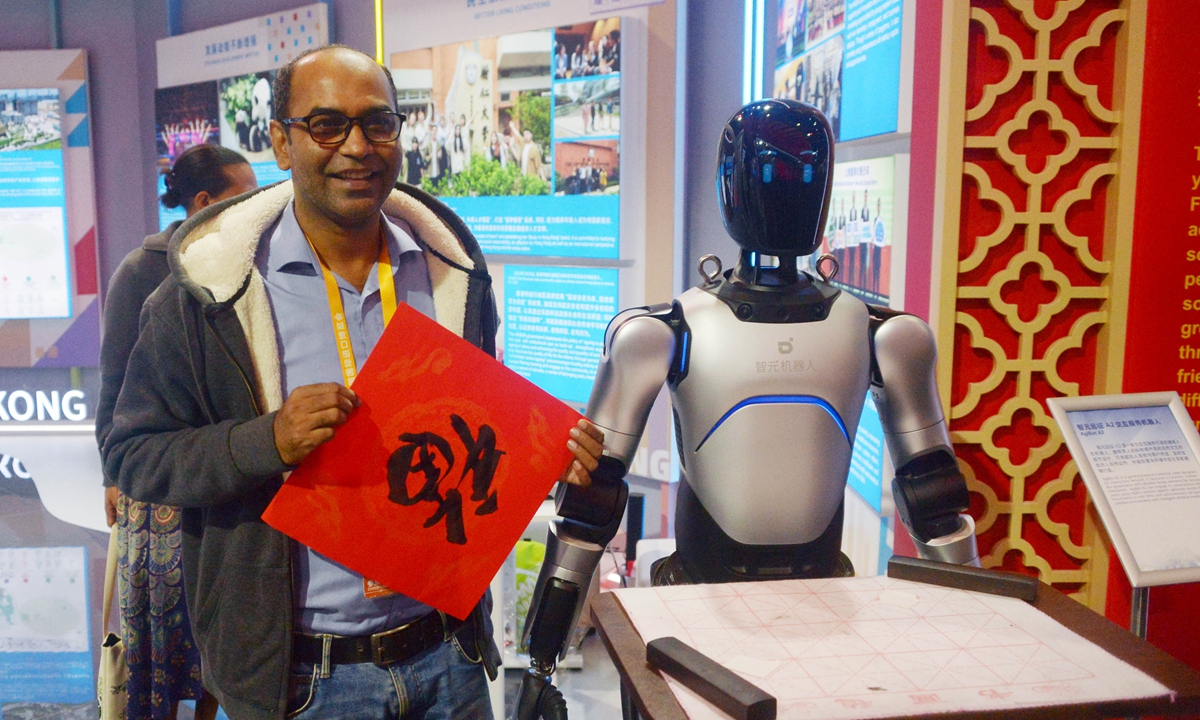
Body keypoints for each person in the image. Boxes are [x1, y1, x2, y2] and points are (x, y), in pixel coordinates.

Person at [102, 45, 603, 720]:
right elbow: (133, 455)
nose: (358, 147)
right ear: (281, 140)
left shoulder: (449, 277)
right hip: (303, 680)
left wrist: (543, 450)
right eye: (327, 125)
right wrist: (264, 443)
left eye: (378, 123)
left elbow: (462, 438)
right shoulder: (208, 295)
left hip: (447, 660)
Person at [97, 144, 258, 720]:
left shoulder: (248, 264)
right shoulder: (143, 271)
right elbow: (115, 383)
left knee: (223, 627)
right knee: (166, 641)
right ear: (206, 202)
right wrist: (113, 475)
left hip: (230, 478)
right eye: (246, 191)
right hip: (163, 489)